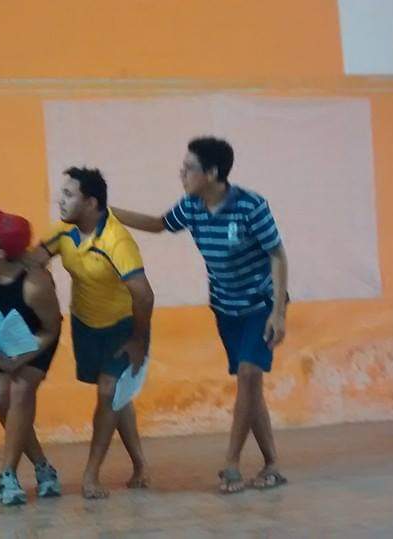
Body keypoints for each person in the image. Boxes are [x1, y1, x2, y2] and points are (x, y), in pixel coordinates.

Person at [111, 136, 289, 494]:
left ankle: (231, 465)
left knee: (249, 375)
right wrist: (106, 212)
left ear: (211, 173)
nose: (182, 173)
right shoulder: (191, 206)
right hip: (225, 308)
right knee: (250, 385)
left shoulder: (251, 206)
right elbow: (159, 224)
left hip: (261, 306)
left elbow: (277, 255)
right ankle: (272, 464)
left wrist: (279, 313)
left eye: (189, 168)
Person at [28, 166, 153, 499]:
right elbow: (32, 261)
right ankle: (140, 464)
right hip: (85, 323)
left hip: (123, 326)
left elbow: (144, 295)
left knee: (109, 391)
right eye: (62, 193)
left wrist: (138, 340)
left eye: (69, 194)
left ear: (91, 203)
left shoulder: (117, 241)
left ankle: (91, 475)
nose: (60, 200)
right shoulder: (63, 232)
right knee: (115, 395)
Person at [0, 202, 63, 506]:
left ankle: (7, 474)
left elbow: (51, 328)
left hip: (36, 339)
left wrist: (21, 359)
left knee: (21, 389)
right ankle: (42, 466)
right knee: (1, 397)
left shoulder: (35, 284)